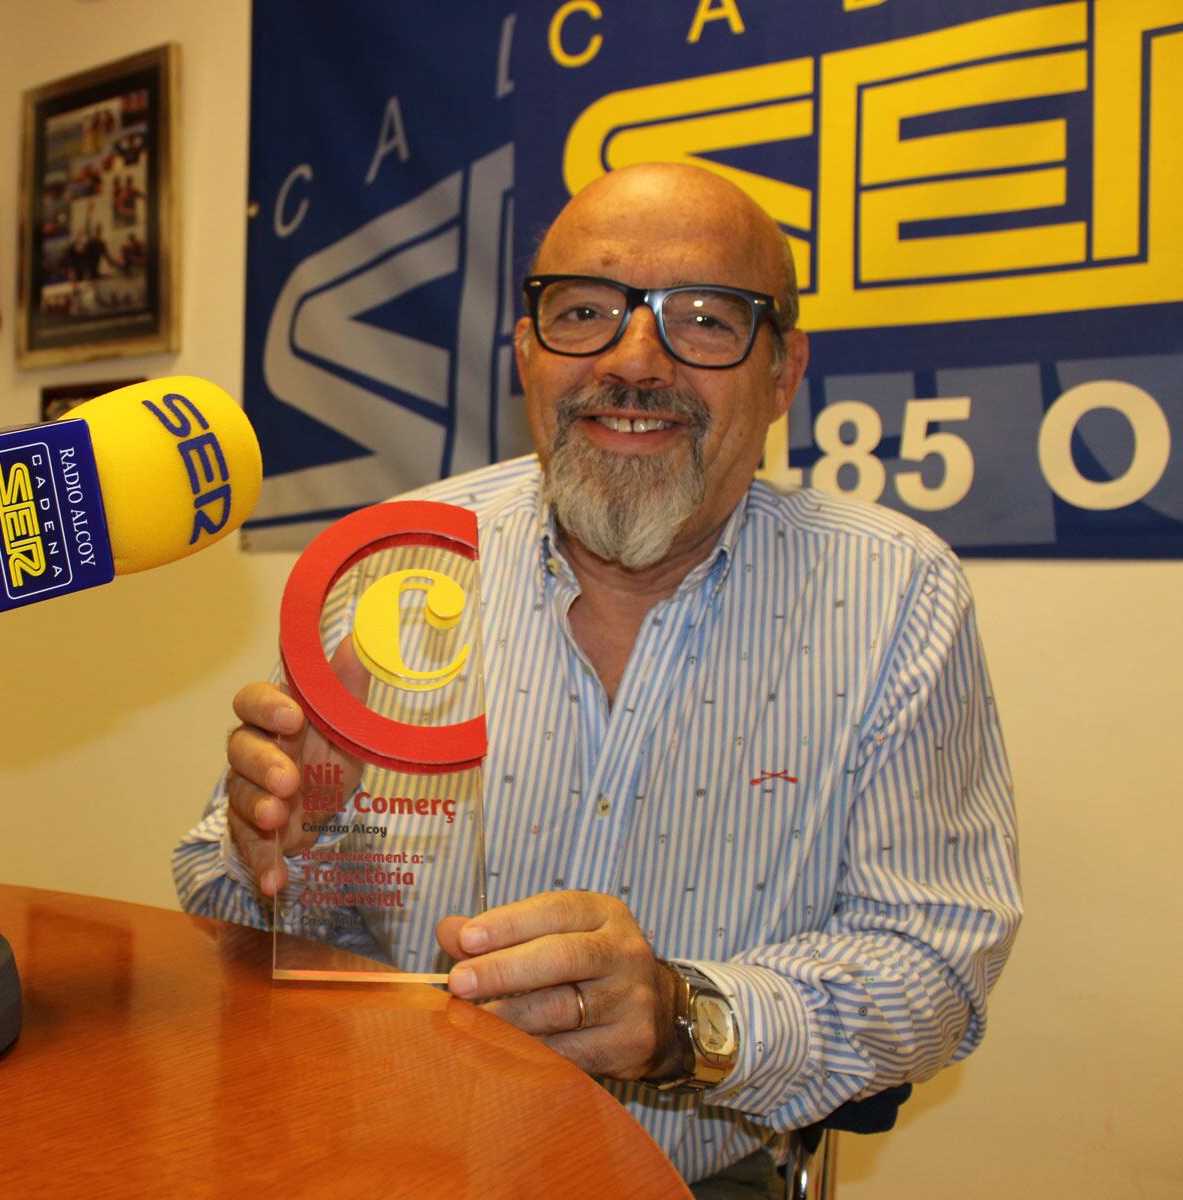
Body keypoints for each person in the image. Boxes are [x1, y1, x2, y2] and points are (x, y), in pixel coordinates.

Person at [174, 162, 1021, 1197]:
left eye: (705, 319)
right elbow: (236, 909)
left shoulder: (895, 598)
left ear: (783, 372)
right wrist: (273, 855)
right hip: (381, 1153)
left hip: (688, 1177)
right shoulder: (392, 564)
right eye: (584, 311)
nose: (634, 361)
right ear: (527, 351)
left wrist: (686, 1018)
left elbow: (934, 966)